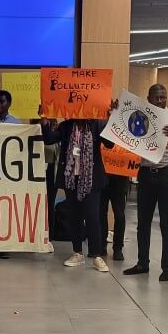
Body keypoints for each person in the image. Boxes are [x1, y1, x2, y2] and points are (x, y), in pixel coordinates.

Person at [123, 83, 168, 282]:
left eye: (163, 97)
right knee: (143, 222)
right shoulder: (140, 115)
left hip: (167, 173)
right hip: (145, 173)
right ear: (148, 98)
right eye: (157, 97)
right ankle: (142, 263)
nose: (160, 101)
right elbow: (128, 136)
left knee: (167, 223)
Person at [43, 116, 108, 272]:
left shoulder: (97, 125)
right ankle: (77, 252)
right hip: (71, 178)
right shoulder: (66, 126)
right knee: (75, 216)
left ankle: (96, 255)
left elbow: (109, 144)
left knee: (92, 216)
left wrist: (111, 119)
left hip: (91, 179)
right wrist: (44, 121)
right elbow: (49, 139)